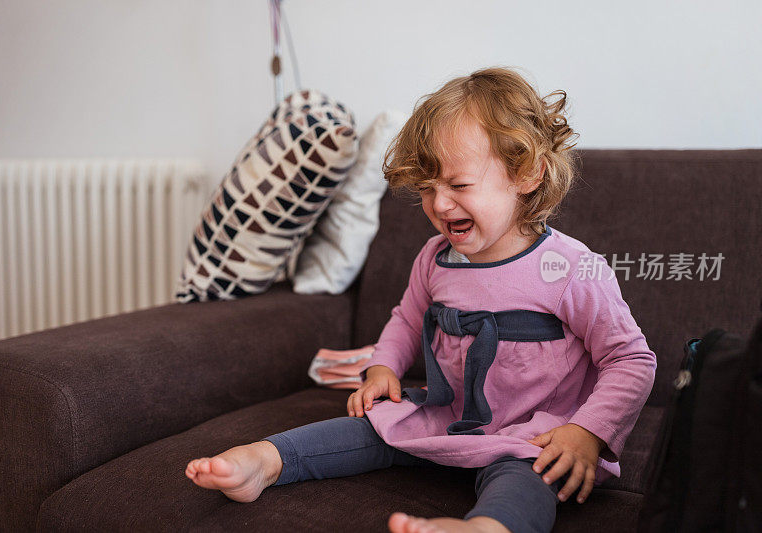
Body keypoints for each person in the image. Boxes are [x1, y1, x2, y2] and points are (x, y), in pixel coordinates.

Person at [184, 66, 657, 533]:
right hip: (449, 418)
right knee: (372, 426)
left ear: (527, 174)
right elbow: (408, 320)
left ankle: (486, 527)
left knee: (528, 478)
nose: (440, 205)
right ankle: (266, 461)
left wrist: (588, 432)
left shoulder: (570, 267)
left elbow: (631, 359)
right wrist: (383, 368)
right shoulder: (435, 258)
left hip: (533, 434)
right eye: (428, 189)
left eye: (458, 185)